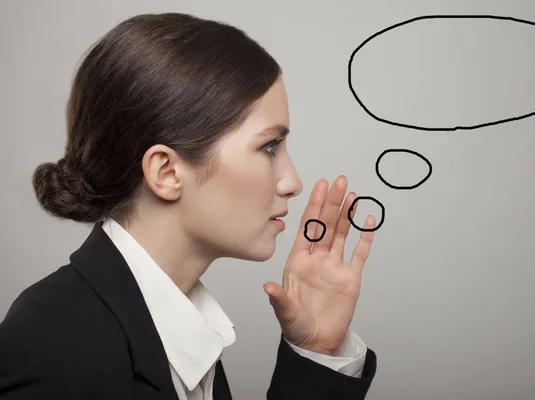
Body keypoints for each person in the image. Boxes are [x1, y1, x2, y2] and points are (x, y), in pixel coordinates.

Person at [0, 12, 378, 400]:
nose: (292, 182)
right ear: (166, 172)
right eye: (269, 147)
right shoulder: (53, 346)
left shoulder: (168, 322)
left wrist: (316, 352)